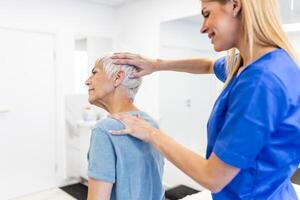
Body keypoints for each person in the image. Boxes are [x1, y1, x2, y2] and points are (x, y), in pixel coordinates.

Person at [110, 0, 300, 199]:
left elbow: (213, 177)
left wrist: (150, 133)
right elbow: (208, 65)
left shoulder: (262, 81)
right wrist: (156, 65)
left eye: (207, 14)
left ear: (235, 5)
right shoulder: (255, 64)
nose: (202, 28)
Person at [85, 54, 165, 200]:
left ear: (117, 78)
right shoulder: (151, 124)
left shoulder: (104, 130)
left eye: (94, 72)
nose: (87, 81)